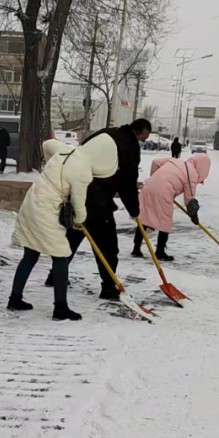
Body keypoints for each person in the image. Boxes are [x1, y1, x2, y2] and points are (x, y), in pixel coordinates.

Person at [7, 134, 118, 321]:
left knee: (31, 254)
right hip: (46, 210)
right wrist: (80, 221)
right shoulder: (83, 171)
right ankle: (60, 309)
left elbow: (46, 144)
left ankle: (14, 299)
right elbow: (79, 203)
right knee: (61, 257)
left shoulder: (65, 149)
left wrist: (53, 171)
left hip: (32, 202)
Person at [46, 118, 152, 301]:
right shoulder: (129, 146)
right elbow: (127, 182)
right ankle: (109, 287)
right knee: (108, 246)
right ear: (138, 132)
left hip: (79, 192)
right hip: (97, 200)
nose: (142, 143)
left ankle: (55, 275)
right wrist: (134, 210)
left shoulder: (106, 133)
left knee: (74, 235)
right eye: (143, 138)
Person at [134, 153, 212, 262]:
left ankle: (136, 248)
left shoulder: (176, 161)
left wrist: (156, 180)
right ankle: (160, 252)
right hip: (163, 192)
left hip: (148, 187)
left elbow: (155, 162)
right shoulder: (192, 174)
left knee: (145, 217)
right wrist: (194, 216)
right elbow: (189, 199)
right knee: (165, 220)